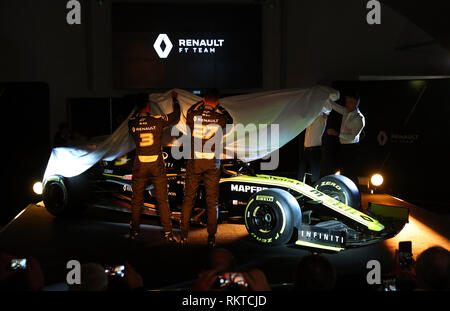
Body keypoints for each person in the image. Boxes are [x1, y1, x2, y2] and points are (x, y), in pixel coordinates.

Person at [180, 89, 233, 247]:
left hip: (195, 163)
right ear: (217, 103)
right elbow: (230, 119)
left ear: (203, 100)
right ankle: (211, 237)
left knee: (189, 198)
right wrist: (219, 108)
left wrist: (201, 104)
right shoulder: (220, 118)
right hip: (212, 164)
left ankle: (183, 235)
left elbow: (189, 111)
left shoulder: (192, 115)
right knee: (212, 202)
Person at [128, 91, 180, 242]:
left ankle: (134, 232)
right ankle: (168, 233)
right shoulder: (157, 121)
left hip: (140, 164)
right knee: (163, 200)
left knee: (136, 200)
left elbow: (135, 122)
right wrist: (175, 100)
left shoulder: (132, 122)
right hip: (156, 164)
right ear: (149, 105)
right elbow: (175, 115)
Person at [326, 93, 365, 185]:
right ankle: (344, 193)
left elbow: (352, 137)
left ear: (356, 103)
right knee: (343, 172)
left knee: (351, 174)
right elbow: (334, 106)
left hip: (352, 148)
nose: (347, 104)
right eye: (346, 102)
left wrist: (336, 133)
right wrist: (325, 97)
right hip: (342, 146)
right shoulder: (346, 111)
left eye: (350, 102)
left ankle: (355, 196)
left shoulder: (359, 118)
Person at [298, 106, 331, 183]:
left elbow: (328, 109)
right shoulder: (310, 119)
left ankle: (315, 188)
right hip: (306, 149)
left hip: (314, 150)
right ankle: (298, 188)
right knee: (301, 171)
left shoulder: (322, 118)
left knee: (314, 173)